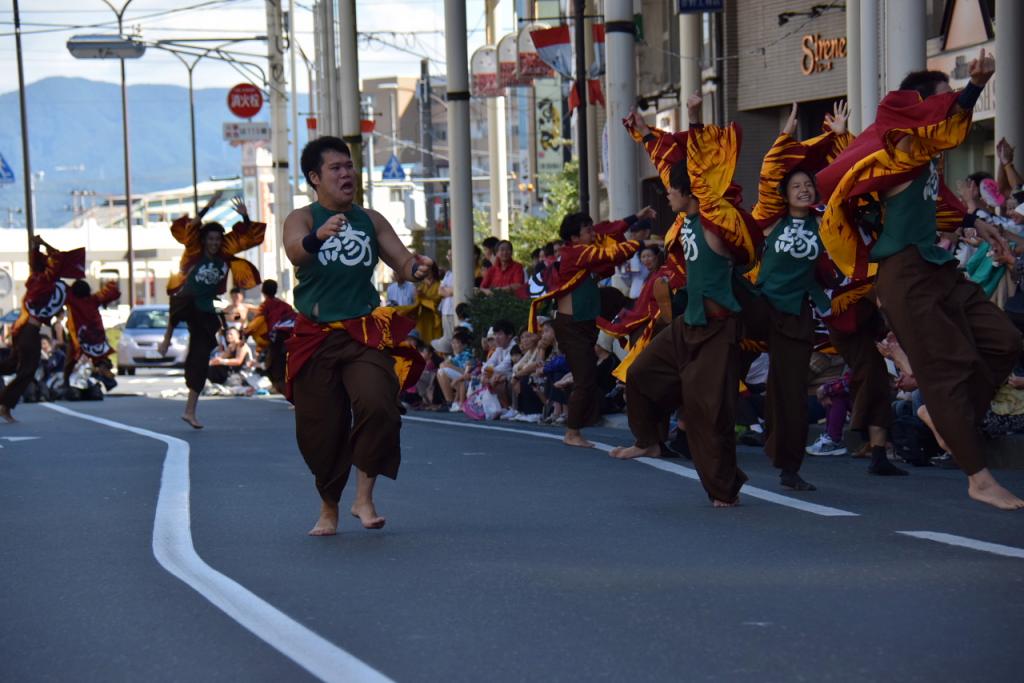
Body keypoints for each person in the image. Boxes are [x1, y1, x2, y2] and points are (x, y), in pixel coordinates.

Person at [817, 49, 1024, 510]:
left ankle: (944, 417)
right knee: (947, 368)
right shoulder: (900, 153)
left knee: (1004, 340)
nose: (946, 109)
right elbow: (923, 131)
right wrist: (972, 89)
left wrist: (978, 223)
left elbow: (947, 207)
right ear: (919, 111)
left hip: (937, 268)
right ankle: (978, 476)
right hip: (904, 276)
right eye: (939, 102)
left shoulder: (925, 162)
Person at [610, 93, 762, 507]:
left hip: (717, 327)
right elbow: (673, 167)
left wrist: (696, 118)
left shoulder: (715, 219)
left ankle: (724, 490)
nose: (666, 196)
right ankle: (651, 441)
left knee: (708, 412)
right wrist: (644, 135)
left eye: (672, 192)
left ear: (691, 193)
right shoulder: (685, 220)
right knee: (639, 375)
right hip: (687, 324)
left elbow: (701, 169)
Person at [283, 136, 432, 536]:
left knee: (379, 403)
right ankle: (328, 508)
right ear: (315, 178)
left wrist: (418, 268)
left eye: (349, 166)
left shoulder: (371, 219)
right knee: (321, 428)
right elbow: (296, 252)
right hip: (315, 336)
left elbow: (401, 262)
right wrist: (320, 236)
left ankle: (363, 498)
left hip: (363, 331)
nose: (346, 173)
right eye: (335, 168)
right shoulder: (302, 217)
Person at [529, 206, 653, 447]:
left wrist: (636, 217)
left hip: (584, 322)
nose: (593, 234)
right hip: (572, 327)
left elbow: (608, 229)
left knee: (613, 296)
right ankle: (572, 432)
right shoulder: (576, 253)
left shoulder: (581, 247)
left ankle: (640, 315)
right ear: (574, 237)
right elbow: (610, 255)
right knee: (584, 379)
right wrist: (637, 242)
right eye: (587, 231)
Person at [158, 194, 265, 429]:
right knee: (179, 305)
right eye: (211, 239)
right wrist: (207, 208)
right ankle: (166, 338)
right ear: (204, 240)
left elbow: (247, 239)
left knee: (200, 359)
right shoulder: (194, 252)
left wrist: (245, 216)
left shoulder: (224, 257)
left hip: (207, 308)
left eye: (218, 239)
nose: (215, 243)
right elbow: (193, 227)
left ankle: (190, 411)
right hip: (187, 301)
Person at [0, 236, 85, 422]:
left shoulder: (38, 280)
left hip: (22, 330)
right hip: (29, 331)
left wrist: (38, 246)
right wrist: (44, 245)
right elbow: (57, 259)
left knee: (12, 365)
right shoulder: (46, 281)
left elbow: (46, 260)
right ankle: (4, 405)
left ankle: (4, 405)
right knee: (27, 370)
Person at [64, 278, 121, 391]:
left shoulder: (72, 301)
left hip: (81, 339)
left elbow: (62, 288)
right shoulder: (94, 300)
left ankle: (67, 384)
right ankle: (106, 377)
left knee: (72, 361)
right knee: (99, 359)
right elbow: (113, 291)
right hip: (97, 337)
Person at [243, 279, 296, 394]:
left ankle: (291, 396)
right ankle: (292, 394)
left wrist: (245, 333)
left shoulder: (265, 306)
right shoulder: (286, 305)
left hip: (277, 340)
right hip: (292, 338)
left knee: (274, 369)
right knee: (287, 368)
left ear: (263, 291)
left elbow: (256, 323)